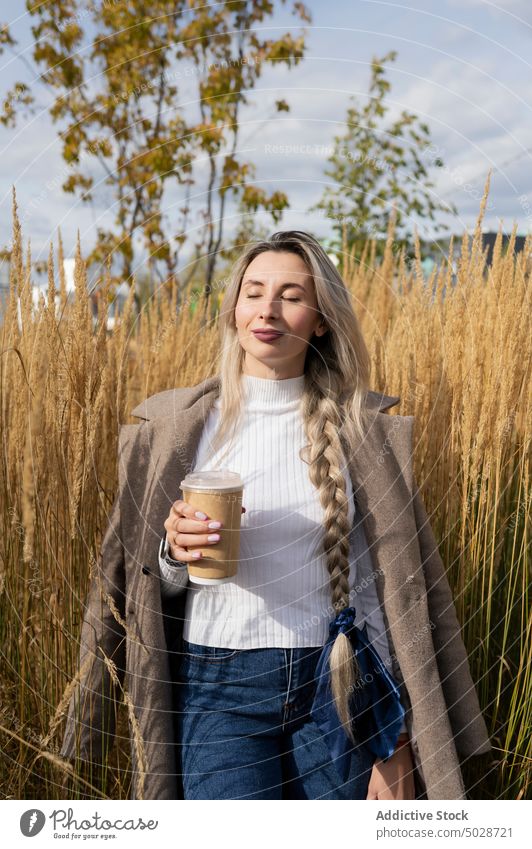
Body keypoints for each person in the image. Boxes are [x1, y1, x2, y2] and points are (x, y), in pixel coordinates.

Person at [60, 231, 492, 801]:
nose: (267, 309)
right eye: (253, 292)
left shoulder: (363, 433)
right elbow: (142, 590)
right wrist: (172, 555)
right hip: (217, 684)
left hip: (336, 684)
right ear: (234, 309)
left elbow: (388, 595)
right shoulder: (175, 431)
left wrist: (394, 738)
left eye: (291, 295)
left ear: (320, 319)